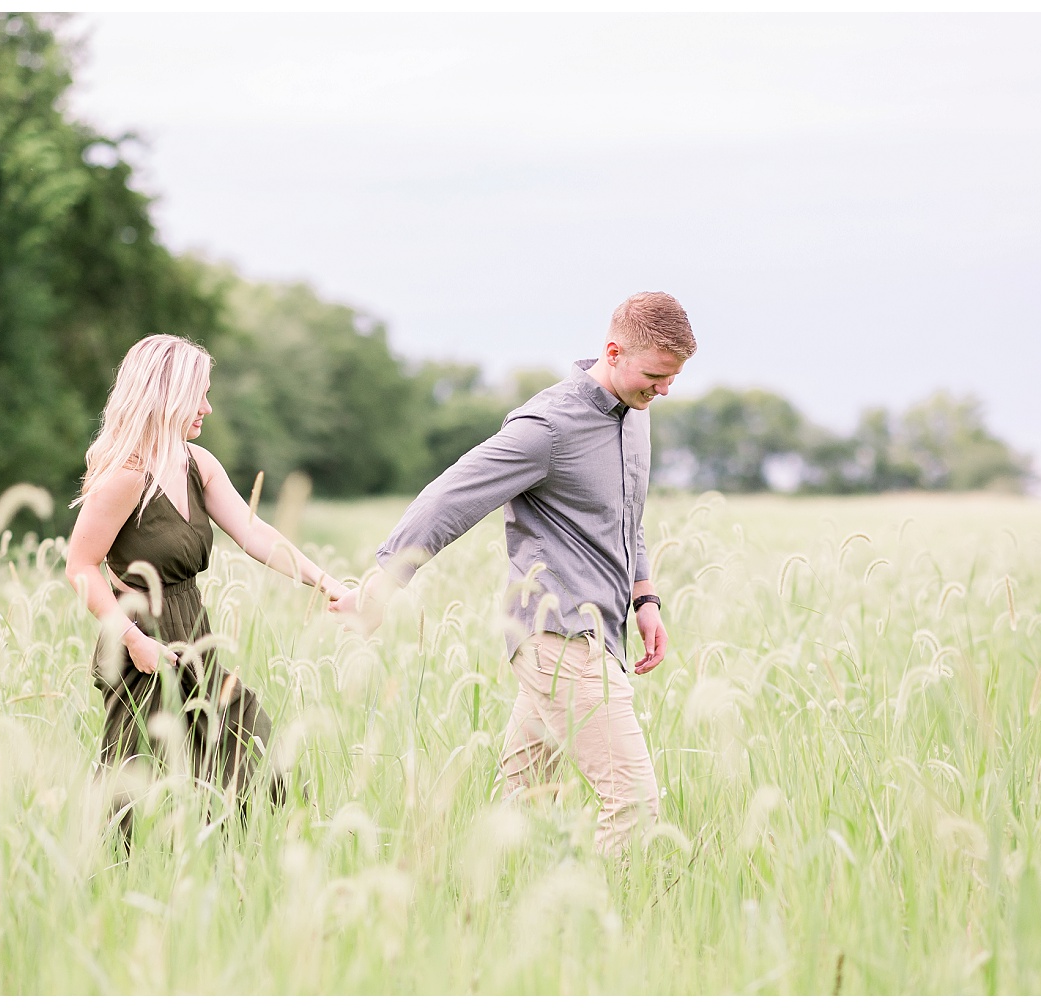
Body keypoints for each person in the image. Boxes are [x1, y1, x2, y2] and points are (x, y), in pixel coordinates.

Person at [332, 292, 696, 854]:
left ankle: (484, 905)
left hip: (604, 631)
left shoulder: (636, 416)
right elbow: (450, 498)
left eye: (673, 378)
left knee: (522, 802)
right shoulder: (546, 427)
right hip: (559, 636)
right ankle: (609, 932)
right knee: (634, 802)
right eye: (655, 375)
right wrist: (381, 586)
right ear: (613, 351)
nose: (664, 390)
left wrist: (645, 599)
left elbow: (628, 518)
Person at [65, 333, 347, 841]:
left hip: (196, 635)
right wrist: (135, 641)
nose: (208, 407)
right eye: (200, 394)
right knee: (127, 792)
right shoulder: (127, 476)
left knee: (256, 760)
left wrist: (324, 582)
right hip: (141, 644)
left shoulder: (198, 464)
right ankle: (103, 886)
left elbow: (254, 533)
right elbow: (80, 567)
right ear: (168, 394)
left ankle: (237, 872)